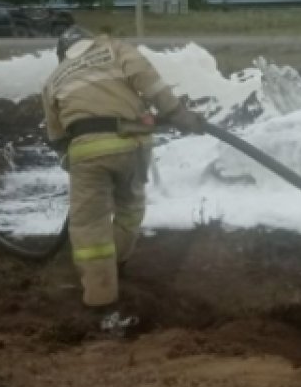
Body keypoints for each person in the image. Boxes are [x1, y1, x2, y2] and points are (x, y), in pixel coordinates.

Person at [41, 26, 205, 310]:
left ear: (62, 54)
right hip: (132, 145)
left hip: (87, 152)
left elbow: (56, 135)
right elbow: (149, 81)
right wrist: (177, 114)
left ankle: (101, 296)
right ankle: (117, 262)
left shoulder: (54, 78)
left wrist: (70, 158)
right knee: (129, 208)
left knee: (90, 226)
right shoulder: (114, 49)